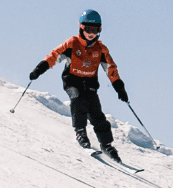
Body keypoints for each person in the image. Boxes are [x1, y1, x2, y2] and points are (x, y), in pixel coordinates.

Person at [29, 10, 129, 161]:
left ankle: (106, 145)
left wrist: (118, 87)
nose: (91, 33)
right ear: (81, 28)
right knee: (77, 99)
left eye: (95, 30)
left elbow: (111, 68)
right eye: (88, 29)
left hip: (90, 83)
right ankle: (80, 131)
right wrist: (39, 69)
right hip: (72, 80)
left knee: (97, 114)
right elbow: (54, 56)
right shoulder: (72, 43)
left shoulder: (101, 49)